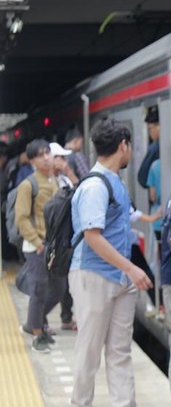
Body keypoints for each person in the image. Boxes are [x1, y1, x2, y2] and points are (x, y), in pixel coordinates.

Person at [69, 118, 153, 407]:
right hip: (93, 276)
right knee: (89, 353)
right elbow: (92, 236)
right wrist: (130, 267)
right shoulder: (95, 186)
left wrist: (127, 272)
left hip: (119, 279)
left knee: (120, 352)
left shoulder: (114, 181)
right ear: (123, 146)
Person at [16, 139, 63, 352]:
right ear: (33, 161)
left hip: (52, 246)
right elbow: (22, 218)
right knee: (39, 288)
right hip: (36, 248)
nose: (46, 157)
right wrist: (37, 242)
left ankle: (35, 321)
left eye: (48, 153)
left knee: (59, 288)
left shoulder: (55, 182)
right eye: (40, 155)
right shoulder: (28, 185)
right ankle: (37, 335)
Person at [50, 141, 79, 331]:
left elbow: (79, 190)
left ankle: (66, 317)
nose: (63, 161)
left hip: (67, 236)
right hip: (52, 238)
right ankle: (39, 322)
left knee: (66, 279)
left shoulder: (64, 179)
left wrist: (68, 170)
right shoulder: (46, 182)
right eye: (59, 157)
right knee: (51, 282)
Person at [137, 107, 159, 190]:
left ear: (158, 126)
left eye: (150, 129)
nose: (150, 133)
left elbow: (142, 178)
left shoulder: (154, 147)